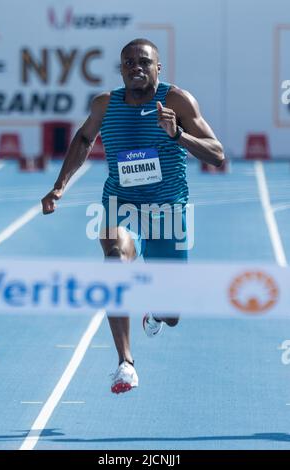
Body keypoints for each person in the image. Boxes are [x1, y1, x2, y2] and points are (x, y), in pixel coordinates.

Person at [41, 38, 224, 394]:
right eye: (128, 62)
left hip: (167, 211)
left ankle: (155, 312)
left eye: (144, 61)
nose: (135, 67)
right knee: (115, 259)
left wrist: (178, 134)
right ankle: (125, 363)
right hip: (121, 205)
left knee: (171, 315)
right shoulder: (105, 104)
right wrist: (59, 185)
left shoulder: (177, 101)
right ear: (121, 68)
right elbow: (82, 140)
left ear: (159, 68)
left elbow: (216, 154)